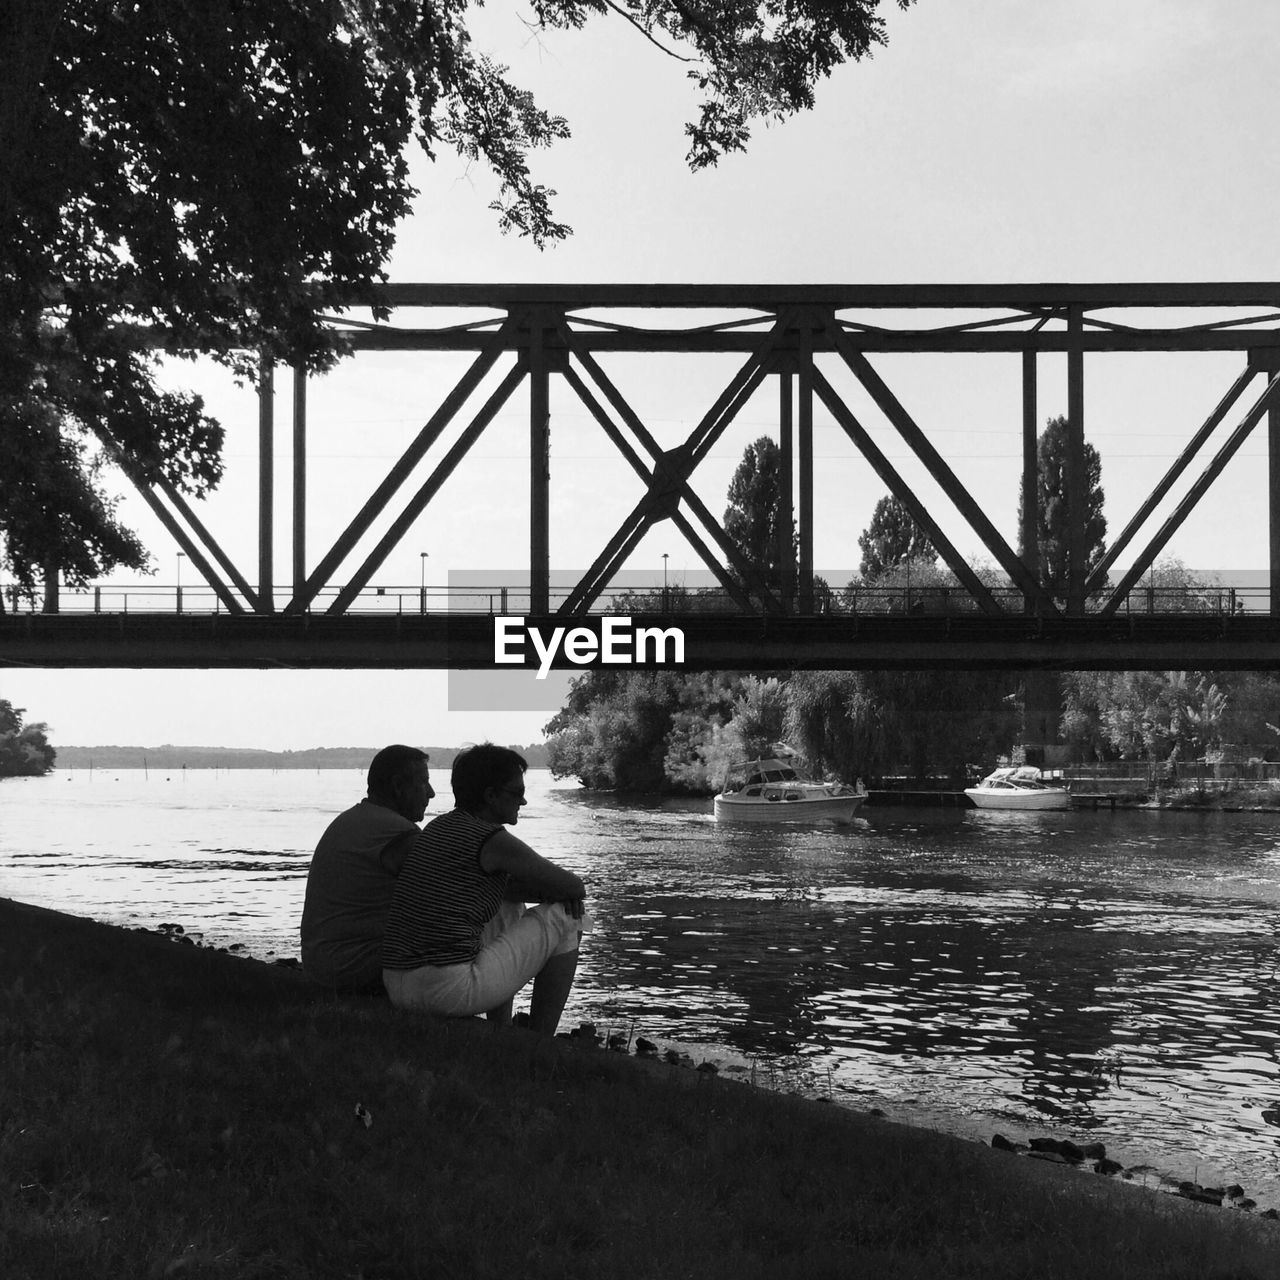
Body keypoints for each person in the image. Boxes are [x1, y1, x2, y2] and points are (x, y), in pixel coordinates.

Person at [382, 743, 586, 1035]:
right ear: (490, 796)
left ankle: (500, 1029)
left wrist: (540, 892)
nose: (524, 802)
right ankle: (542, 1040)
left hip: (397, 984)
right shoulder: (491, 839)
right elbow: (573, 886)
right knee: (568, 916)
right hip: (446, 991)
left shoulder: (437, 828)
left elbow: (503, 888)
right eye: (516, 793)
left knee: (508, 905)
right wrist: (560, 895)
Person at [300, 744, 434, 994]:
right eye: (423, 782)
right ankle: (506, 1027)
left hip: (322, 965)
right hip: (351, 970)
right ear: (398, 786)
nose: (431, 793)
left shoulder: (355, 820)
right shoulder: (397, 833)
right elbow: (454, 887)